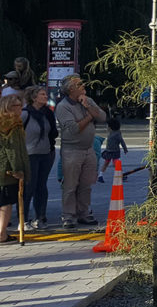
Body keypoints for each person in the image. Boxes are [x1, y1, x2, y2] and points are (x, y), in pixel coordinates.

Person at [54, 74, 107, 228]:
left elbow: (102, 116)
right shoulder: (63, 106)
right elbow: (74, 129)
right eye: (80, 85)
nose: (84, 86)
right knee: (70, 185)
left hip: (88, 148)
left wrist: (88, 107)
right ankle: (68, 215)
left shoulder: (87, 100)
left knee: (86, 184)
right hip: (72, 150)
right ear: (71, 89)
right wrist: (90, 116)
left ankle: (83, 212)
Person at [21, 86, 56, 229]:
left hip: (45, 153)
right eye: (42, 94)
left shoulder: (47, 113)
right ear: (34, 98)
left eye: (46, 94)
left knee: (41, 186)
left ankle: (40, 217)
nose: (45, 96)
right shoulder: (25, 113)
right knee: (29, 187)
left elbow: (52, 132)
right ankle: (23, 219)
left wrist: (51, 148)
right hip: (30, 154)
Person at [0, 94, 30, 242]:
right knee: (5, 203)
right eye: (17, 106)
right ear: (9, 107)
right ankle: (1, 233)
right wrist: (18, 170)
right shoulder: (13, 124)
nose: (21, 108)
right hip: (6, 170)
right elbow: (13, 150)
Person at [97, 118, 129, 183]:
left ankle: (120, 175)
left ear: (110, 127)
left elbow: (121, 141)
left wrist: (125, 148)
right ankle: (100, 175)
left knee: (114, 164)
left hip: (114, 152)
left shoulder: (117, 134)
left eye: (108, 125)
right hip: (109, 151)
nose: (106, 127)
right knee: (109, 163)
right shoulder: (110, 132)